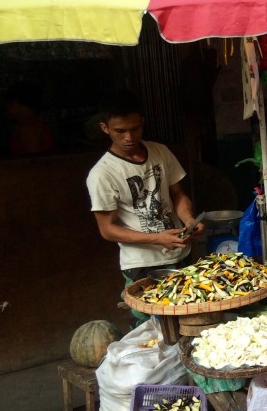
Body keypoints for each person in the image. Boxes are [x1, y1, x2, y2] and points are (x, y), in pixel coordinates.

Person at [86, 89, 203, 297]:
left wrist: (188, 220)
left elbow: (178, 195)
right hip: (142, 264)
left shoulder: (160, 152)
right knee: (149, 322)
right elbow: (107, 230)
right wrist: (158, 238)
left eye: (135, 128)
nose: (129, 137)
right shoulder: (102, 173)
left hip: (180, 254)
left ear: (142, 121)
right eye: (120, 131)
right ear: (105, 128)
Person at [6, 82, 53, 156]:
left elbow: (33, 161)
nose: (8, 107)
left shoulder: (28, 128)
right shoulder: (34, 124)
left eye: (11, 103)